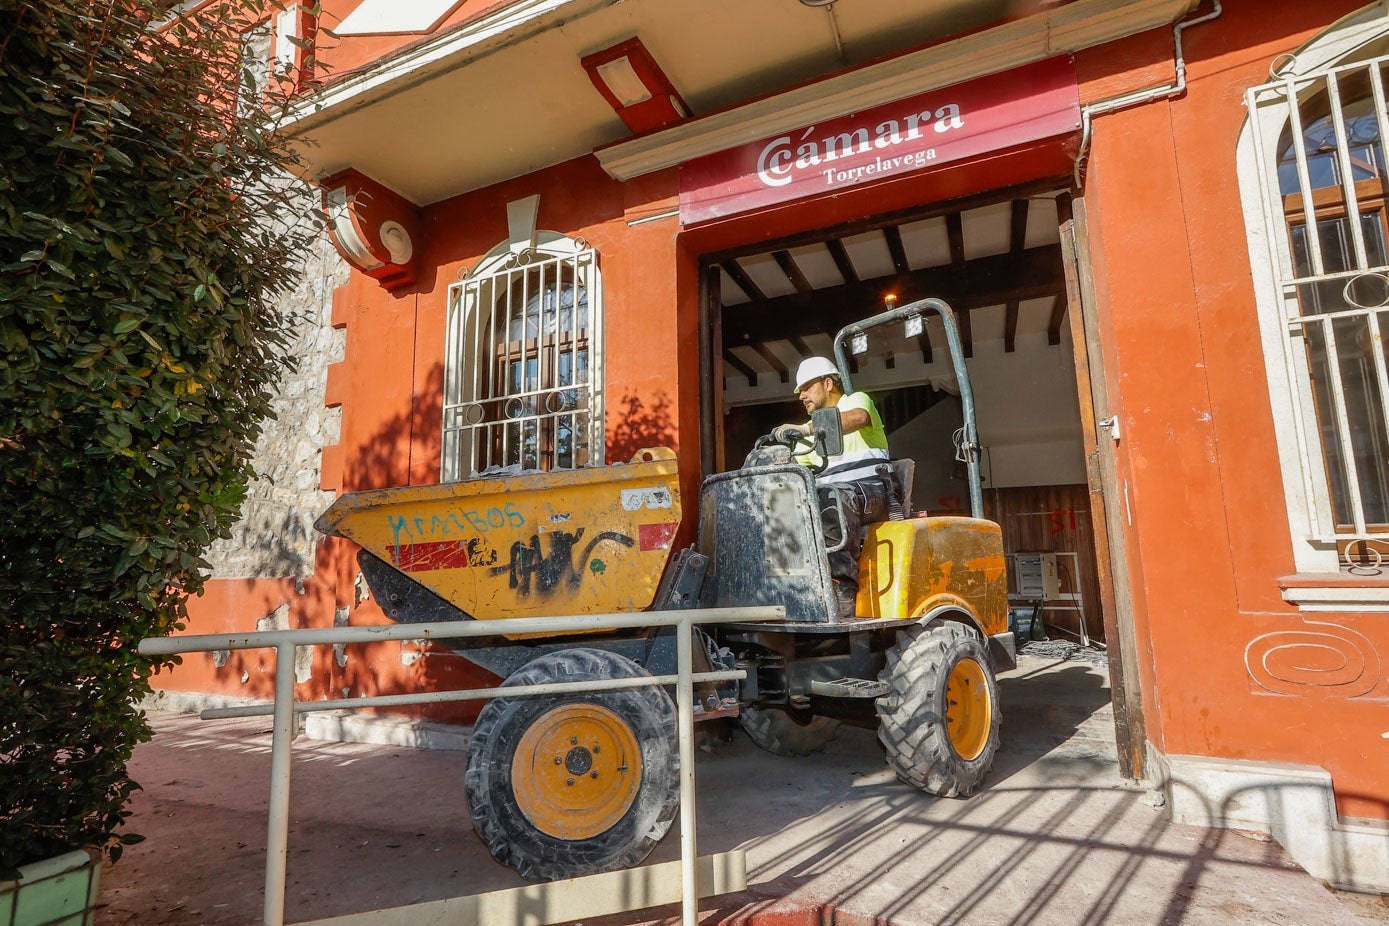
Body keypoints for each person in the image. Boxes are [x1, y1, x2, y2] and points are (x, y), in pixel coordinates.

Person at [774, 356, 892, 619]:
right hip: (838, 501)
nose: (801, 396)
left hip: (870, 494)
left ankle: (843, 588)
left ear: (828, 383)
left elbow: (859, 418)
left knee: (830, 497)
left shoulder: (857, 401)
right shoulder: (809, 437)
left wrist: (806, 429)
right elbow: (794, 471)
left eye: (806, 387)